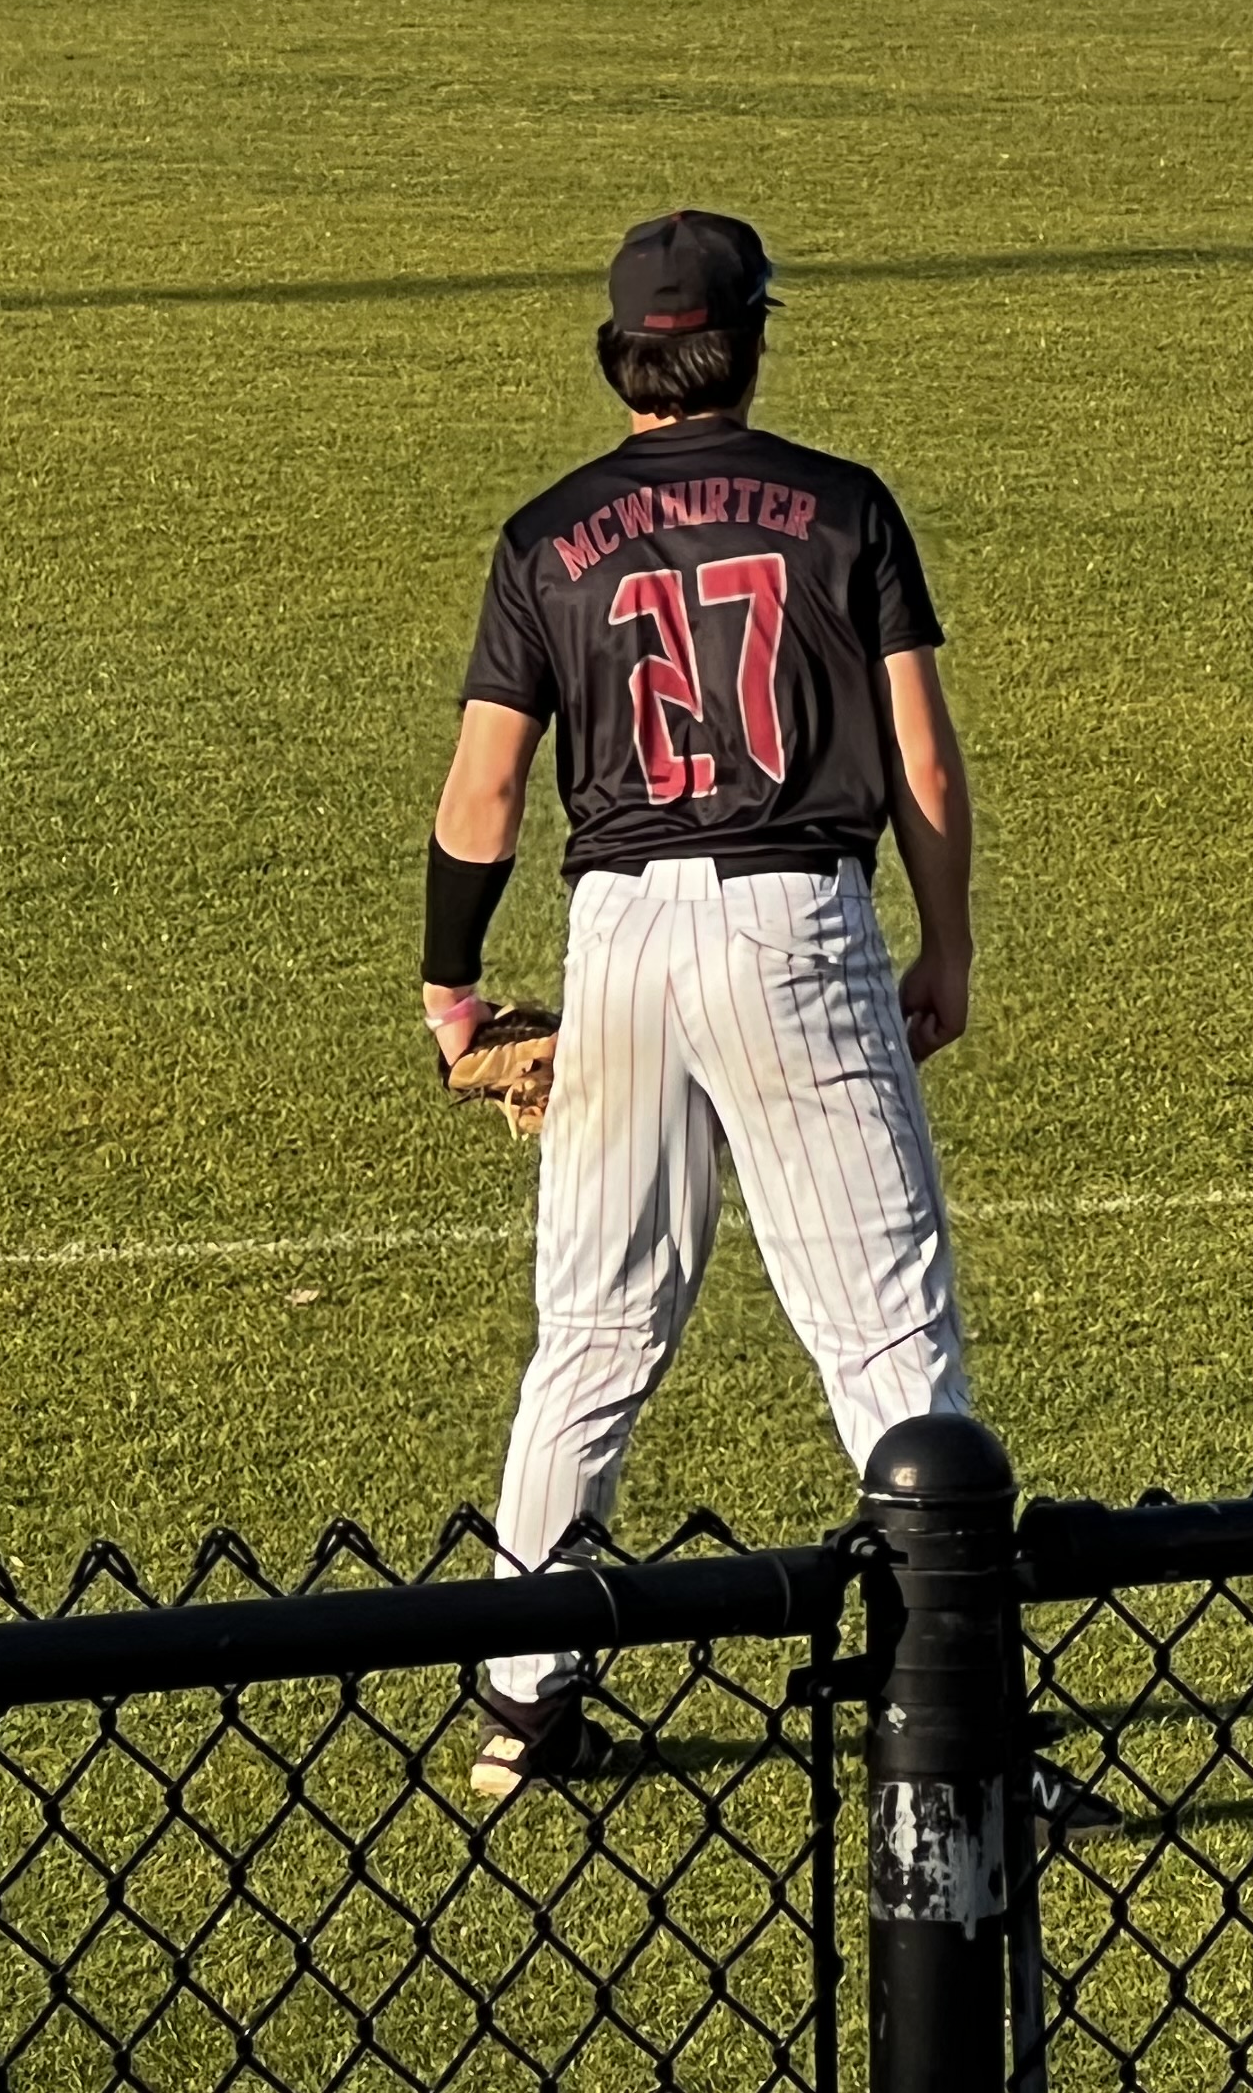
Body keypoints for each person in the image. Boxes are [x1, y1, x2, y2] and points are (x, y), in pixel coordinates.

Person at [420, 208, 978, 1797]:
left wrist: (453, 979)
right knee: (885, 1335)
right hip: (799, 922)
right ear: (753, 336)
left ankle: (524, 1709)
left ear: (624, 358)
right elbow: (921, 762)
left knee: (592, 1333)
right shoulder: (842, 507)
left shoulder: (544, 536)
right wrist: (945, 946)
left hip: (618, 944)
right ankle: (949, 1727)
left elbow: (484, 792)